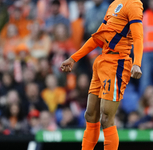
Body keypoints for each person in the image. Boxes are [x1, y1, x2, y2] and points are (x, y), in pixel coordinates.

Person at [61, 0, 144, 149]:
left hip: (117, 63)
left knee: (106, 117)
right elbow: (97, 37)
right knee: (90, 115)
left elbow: (138, 37)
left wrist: (137, 63)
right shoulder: (113, 4)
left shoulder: (133, 4)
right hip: (102, 61)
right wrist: (74, 58)